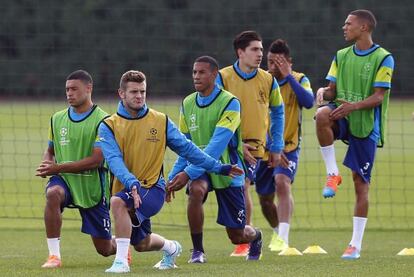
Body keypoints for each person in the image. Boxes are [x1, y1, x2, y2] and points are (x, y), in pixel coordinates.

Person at [99, 70, 243, 273]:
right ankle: (172, 248)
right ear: (121, 94)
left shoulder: (161, 121)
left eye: (142, 91)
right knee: (142, 243)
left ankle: (121, 262)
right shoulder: (108, 126)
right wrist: (131, 182)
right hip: (127, 187)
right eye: (133, 92)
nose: (139, 96)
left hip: (153, 189)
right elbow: (114, 160)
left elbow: (190, 150)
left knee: (117, 202)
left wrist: (219, 167)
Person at [167, 56, 263, 263]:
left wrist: (186, 173)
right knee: (196, 190)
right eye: (194, 72)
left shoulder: (230, 103)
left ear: (214, 74)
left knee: (237, 236)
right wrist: (172, 177)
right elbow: (185, 146)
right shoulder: (187, 103)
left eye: (201, 72)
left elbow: (215, 147)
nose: (196, 76)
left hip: (229, 170)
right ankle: (198, 250)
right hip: (199, 169)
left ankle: (256, 235)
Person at [315, 9, 394, 259]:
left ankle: (355, 245)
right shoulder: (340, 56)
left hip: (366, 124)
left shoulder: (384, 58)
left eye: (348, 24)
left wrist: (353, 106)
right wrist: (323, 93)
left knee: (361, 185)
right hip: (342, 115)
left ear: (364, 28)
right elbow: (332, 91)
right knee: (320, 115)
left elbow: (379, 96)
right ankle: (332, 173)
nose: (344, 27)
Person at [36, 70, 115, 268]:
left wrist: (57, 167)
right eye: (67, 90)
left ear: (89, 89)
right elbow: (50, 150)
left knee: (104, 250)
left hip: (92, 186)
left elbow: (96, 160)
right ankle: (54, 256)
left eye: (74, 89)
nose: (69, 93)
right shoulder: (57, 119)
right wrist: (47, 163)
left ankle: (122, 245)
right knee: (53, 193)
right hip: (65, 180)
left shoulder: (104, 120)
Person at [217, 30, 285, 256]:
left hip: (255, 148)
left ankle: (245, 240)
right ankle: (243, 237)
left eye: (261, 49)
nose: (260, 54)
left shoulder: (268, 79)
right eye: (255, 49)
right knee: (228, 189)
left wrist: (276, 147)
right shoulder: (223, 77)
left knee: (243, 185)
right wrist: (233, 143)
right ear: (240, 52)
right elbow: (215, 111)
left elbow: (278, 112)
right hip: (227, 145)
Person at [255, 39, 314, 251]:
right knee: (265, 201)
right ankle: (278, 232)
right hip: (263, 149)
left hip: (288, 148)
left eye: (278, 63)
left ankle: (283, 238)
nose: (272, 67)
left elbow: (308, 102)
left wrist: (288, 75)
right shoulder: (261, 81)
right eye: (269, 62)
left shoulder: (299, 79)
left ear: (288, 62)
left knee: (282, 182)